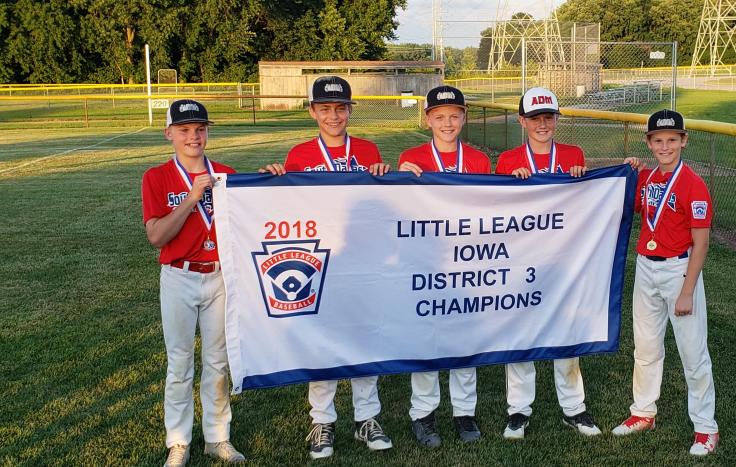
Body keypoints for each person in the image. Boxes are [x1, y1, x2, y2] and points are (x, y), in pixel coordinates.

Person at [259, 76, 391, 459]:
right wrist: (273, 182)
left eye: (340, 108)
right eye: (325, 108)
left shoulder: (367, 150)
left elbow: (379, 207)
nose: (333, 115)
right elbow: (289, 209)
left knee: (366, 336)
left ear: (350, 110)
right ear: (313, 111)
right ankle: (322, 421)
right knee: (323, 341)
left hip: (362, 260)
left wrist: (384, 177)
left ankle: (367, 417)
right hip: (318, 262)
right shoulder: (299, 154)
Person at [141, 99, 245, 467]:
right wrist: (191, 198)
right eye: (184, 130)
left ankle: (217, 437)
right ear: (169, 133)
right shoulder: (156, 177)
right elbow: (156, 236)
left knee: (219, 362)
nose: (193, 136)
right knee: (180, 362)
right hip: (179, 276)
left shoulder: (227, 173)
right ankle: (179, 441)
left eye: (200, 129)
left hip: (219, 276)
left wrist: (272, 177)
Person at [493, 87, 600, 439]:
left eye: (549, 117)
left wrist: (582, 179)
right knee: (522, 335)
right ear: (522, 120)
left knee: (566, 335)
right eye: (535, 118)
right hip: (521, 261)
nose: (543, 124)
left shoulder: (573, 154)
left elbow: (587, 203)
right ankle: (518, 411)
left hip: (563, 261)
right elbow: (495, 211)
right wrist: (511, 185)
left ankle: (574, 409)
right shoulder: (508, 160)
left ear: (556, 120)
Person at [612, 109, 720, 456]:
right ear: (649, 143)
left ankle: (705, 428)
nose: (665, 146)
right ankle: (643, 412)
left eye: (672, 140)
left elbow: (701, 243)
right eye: (658, 140)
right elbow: (634, 206)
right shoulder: (647, 179)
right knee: (645, 347)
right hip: (646, 266)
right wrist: (631, 168)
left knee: (692, 352)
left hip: (679, 270)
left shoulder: (693, 185)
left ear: (684, 141)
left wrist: (687, 290)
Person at [397, 85, 490, 447]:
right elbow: (398, 213)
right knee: (427, 339)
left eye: (454, 115)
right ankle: (423, 414)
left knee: (465, 338)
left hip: (468, 261)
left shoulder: (479, 160)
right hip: (425, 261)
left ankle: (464, 412)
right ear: (428, 119)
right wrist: (399, 179)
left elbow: (489, 213)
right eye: (440, 116)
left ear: (464, 117)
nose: (447, 123)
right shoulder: (412, 156)